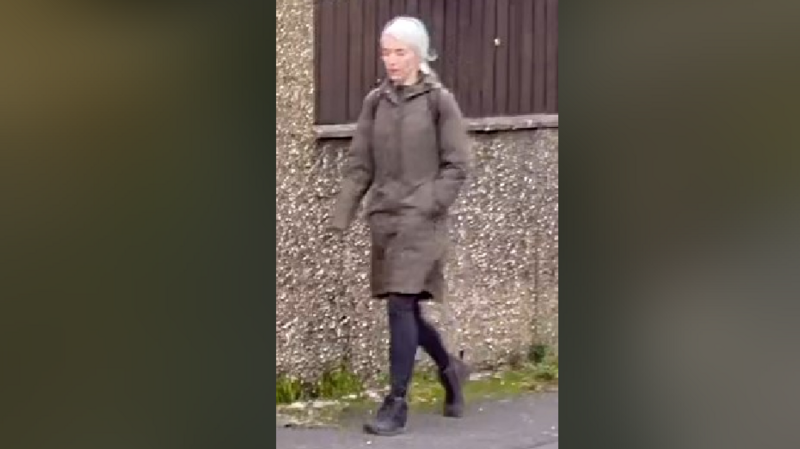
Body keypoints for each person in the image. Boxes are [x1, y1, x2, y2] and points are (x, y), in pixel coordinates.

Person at [329, 16, 472, 436]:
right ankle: (450, 368)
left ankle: (397, 402)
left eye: (400, 52)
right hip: (385, 219)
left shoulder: (438, 102)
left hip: (421, 222)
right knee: (406, 306)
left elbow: (458, 164)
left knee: (400, 305)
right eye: (386, 52)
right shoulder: (376, 102)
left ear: (419, 54)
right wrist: (343, 214)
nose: (391, 60)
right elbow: (359, 165)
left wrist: (430, 202)